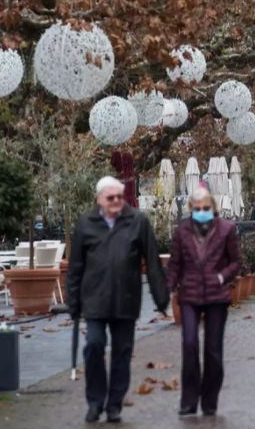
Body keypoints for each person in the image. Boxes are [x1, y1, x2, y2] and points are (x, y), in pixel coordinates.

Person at [67, 176, 169, 424]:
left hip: (126, 299)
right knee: (93, 345)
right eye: (110, 198)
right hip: (94, 300)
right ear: (99, 199)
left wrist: (161, 298)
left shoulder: (138, 221)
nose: (116, 202)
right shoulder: (85, 223)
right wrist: (73, 302)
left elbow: (153, 262)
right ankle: (94, 402)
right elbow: (75, 266)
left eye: (119, 197)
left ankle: (114, 405)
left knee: (122, 352)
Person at [167, 186, 241, 417]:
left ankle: (209, 401)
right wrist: (167, 291)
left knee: (213, 351)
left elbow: (236, 262)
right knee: (189, 345)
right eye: (197, 208)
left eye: (206, 208)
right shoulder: (182, 231)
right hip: (189, 295)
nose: (202, 211)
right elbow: (175, 265)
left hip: (216, 296)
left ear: (213, 207)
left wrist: (221, 277)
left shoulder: (227, 229)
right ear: (190, 209)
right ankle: (189, 401)